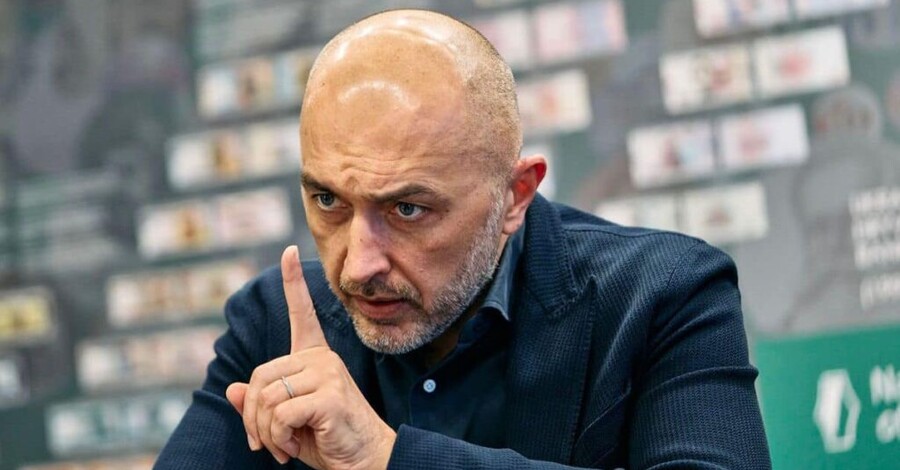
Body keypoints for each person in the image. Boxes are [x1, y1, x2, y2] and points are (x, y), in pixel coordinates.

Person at [156, 9, 770, 469]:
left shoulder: (664, 295)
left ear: (515, 196)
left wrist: (387, 458)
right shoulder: (275, 323)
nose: (359, 265)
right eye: (328, 201)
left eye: (408, 209)